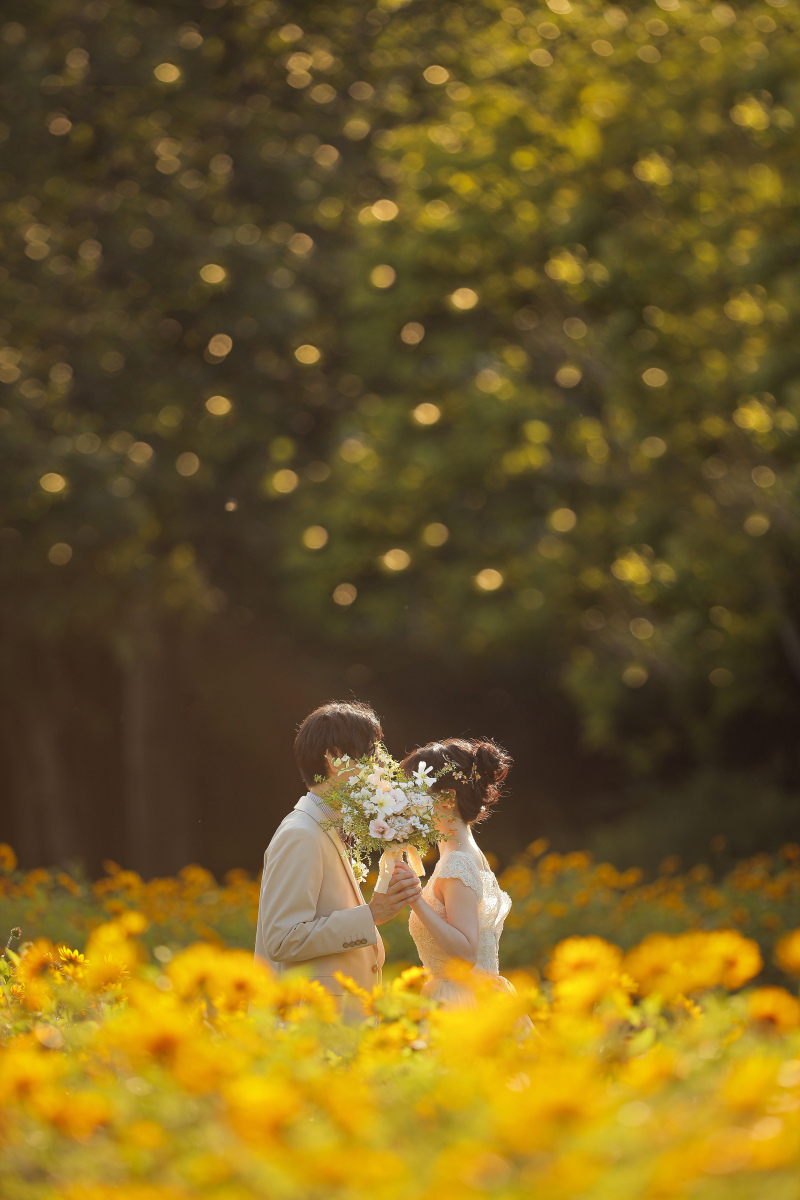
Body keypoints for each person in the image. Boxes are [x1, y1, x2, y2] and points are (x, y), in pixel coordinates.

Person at [255, 700, 422, 1001]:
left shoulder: (329, 827)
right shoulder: (300, 834)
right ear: (334, 759)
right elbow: (281, 940)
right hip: (310, 1030)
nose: (384, 766)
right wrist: (371, 914)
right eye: (372, 755)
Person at [400, 737, 516, 1009]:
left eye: (415, 794)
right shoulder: (463, 855)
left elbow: (465, 952)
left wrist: (415, 899)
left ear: (446, 798)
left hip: (462, 1002)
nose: (406, 804)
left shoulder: (458, 863)